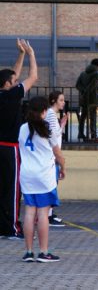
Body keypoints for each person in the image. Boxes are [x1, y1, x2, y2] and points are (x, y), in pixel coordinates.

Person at [19, 96, 65, 262]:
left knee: (29, 212)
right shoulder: (47, 129)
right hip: (44, 176)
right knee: (43, 214)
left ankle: (29, 252)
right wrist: (63, 167)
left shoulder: (23, 128)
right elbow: (57, 153)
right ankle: (44, 252)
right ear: (44, 111)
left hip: (26, 175)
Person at [0, 39, 37, 240]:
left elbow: (11, 75)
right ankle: (12, 228)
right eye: (13, 81)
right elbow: (33, 77)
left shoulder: (5, 91)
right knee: (13, 191)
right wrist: (30, 54)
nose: (16, 82)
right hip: (9, 148)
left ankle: (2, 226)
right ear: (8, 85)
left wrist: (20, 55)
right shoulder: (12, 95)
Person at [45, 91, 69, 227]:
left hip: (53, 155)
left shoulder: (52, 116)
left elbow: (55, 134)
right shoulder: (50, 115)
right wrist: (58, 157)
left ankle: (50, 213)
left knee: (53, 184)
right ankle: (47, 216)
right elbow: (53, 138)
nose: (63, 102)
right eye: (61, 100)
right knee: (51, 185)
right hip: (53, 156)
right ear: (54, 101)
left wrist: (62, 125)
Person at [76, 58, 98, 140]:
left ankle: (80, 133)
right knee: (93, 117)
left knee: (83, 117)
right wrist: (87, 91)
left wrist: (83, 92)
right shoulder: (97, 74)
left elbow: (77, 85)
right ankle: (93, 135)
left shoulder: (83, 73)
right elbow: (93, 86)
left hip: (83, 99)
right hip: (92, 99)